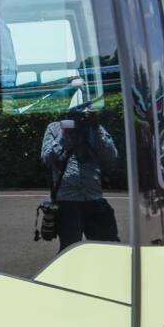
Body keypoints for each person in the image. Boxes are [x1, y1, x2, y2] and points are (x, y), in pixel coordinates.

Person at [41, 105, 120, 250]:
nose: (80, 120)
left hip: (94, 198)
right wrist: (63, 135)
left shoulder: (95, 129)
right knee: (69, 249)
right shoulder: (55, 128)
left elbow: (111, 157)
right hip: (67, 201)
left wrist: (95, 128)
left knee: (105, 248)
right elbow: (47, 158)